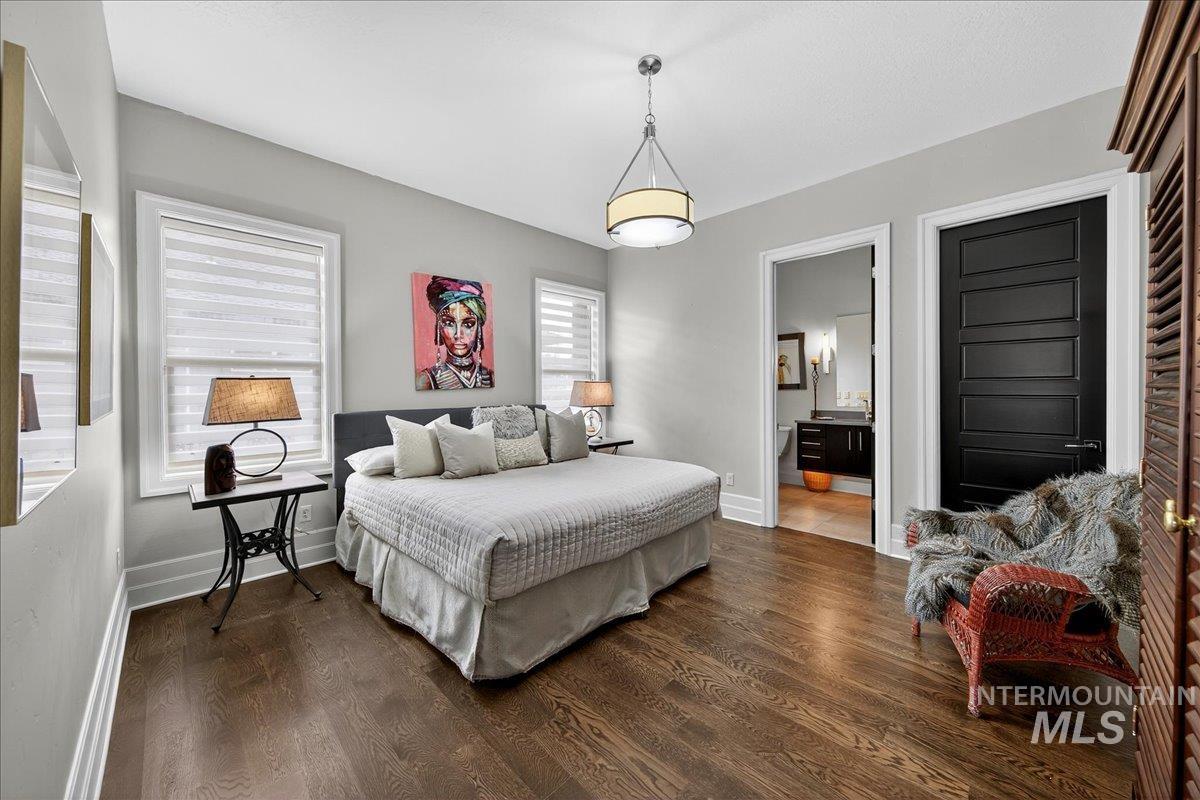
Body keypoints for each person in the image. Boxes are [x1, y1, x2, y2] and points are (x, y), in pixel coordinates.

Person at [416, 275, 494, 390]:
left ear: (479, 328)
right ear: (439, 327)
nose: (458, 335)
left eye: (468, 324)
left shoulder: (491, 377)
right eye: (449, 323)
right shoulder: (426, 380)